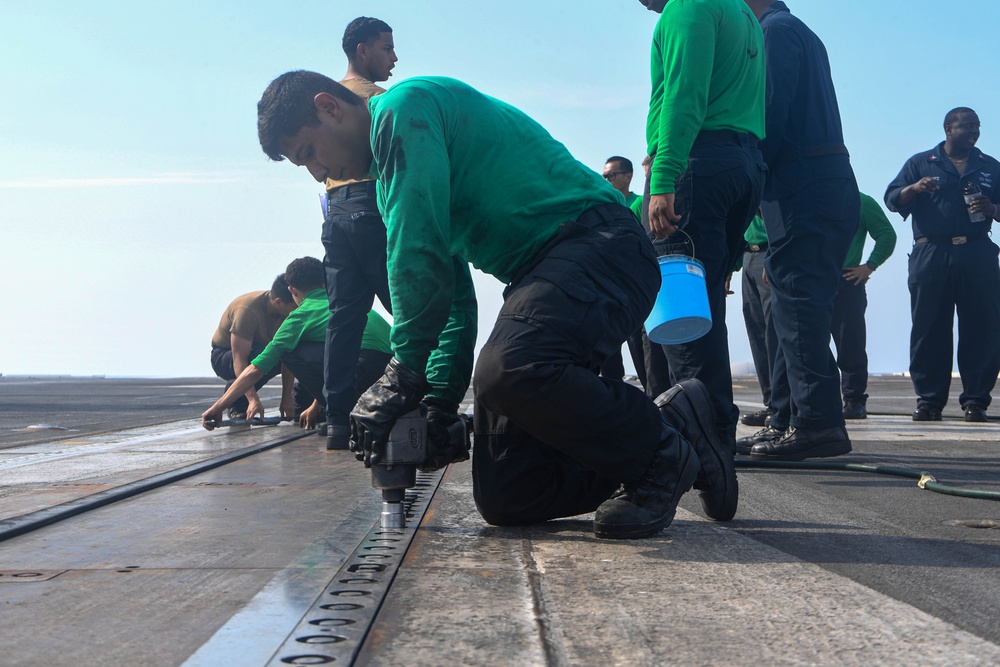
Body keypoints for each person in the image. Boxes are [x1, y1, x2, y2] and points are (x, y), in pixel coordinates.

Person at [256, 70, 739, 538]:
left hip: (601, 243)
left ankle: (661, 455)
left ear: (329, 106)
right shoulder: (391, 179)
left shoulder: (406, 111)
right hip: (542, 273)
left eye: (309, 154)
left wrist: (403, 373)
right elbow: (450, 300)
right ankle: (675, 425)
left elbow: (415, 257)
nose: (319, 174)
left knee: (510, 368)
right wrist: (440, 403)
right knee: (510, 495)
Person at [638, 0, 767, 453]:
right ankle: (714, 438)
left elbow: (683, 91)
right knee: (705, 307)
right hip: (742, 162)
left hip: (699, 163)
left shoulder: (688, 7)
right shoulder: (742, 13)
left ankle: (699, 446)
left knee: (681, 315)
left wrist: (665, 174)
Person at [738, 0, 860, 461]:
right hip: (817, 184)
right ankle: (791, 419)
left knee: (798, 312)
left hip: (802, 187)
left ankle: (818, 424)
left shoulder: (774, 31)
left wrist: (741, 175)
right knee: (795, 308)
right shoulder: (795, 30)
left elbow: (768, 116)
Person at [885, 107, 1000, 423]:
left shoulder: (990, 166)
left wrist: (992, 207)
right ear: (949, 128)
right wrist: (915, 188)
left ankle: (975, 401)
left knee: (982, 328)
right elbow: (893, 198)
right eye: (967, 126)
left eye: (977, 126)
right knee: (929, 328)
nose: (974, 131)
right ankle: (929, 401)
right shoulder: (921, 163)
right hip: (931, 253)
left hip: (977, 253)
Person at [318, 17, 402, 451]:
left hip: (335, 215)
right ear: (362, 51)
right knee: (403, 304)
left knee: (343, 317)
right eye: (386, 48)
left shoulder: (325, 103)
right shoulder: (380, 103)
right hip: (373, 205)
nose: (394, 57)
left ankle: (336, 420)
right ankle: (416, 400)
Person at [201, 257, 392, 431]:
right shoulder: (348, 303)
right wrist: (315, 406)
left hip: (359, 368)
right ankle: (336, 407)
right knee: (334, 346)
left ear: (291, 290)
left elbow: (255, 370)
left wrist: (217, 407)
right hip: (390, 372)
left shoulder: (299, 317)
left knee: (290, 351)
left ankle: (340, 415)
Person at [832, 193, 897, 419]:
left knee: (850, 343)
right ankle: (818, 400)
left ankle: (854, 400)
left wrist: (870, 265)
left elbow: (887, 234)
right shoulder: (809, 197)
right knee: (808, 346)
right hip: (812, 279)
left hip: (847, 279)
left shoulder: (861, 201)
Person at [210, 276, 296, 421]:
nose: (297, 310)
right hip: (225, 356)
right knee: (262, 354)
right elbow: (239, 360)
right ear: (278, 302)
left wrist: (287, 399)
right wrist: (252, 400)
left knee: (289, 353)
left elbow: (288, 358)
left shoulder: (289, 313)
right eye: (294, 307)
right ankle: (237, 402)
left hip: (260, 352)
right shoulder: (247, 311)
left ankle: (236, 389)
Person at [599, 156, 646, 385]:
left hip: (631, 286)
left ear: (628, 177)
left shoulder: (639, 204)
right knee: (607, 350)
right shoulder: (602, 208)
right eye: (603, 176)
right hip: (606, 285)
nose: (606, 180)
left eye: (610, 175)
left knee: (639, 345)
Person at [737, 213, 775, 428]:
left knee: (773, 332)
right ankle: (771, 403)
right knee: (757, 333)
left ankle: (782, 405)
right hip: (748, 256)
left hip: (768, 251)